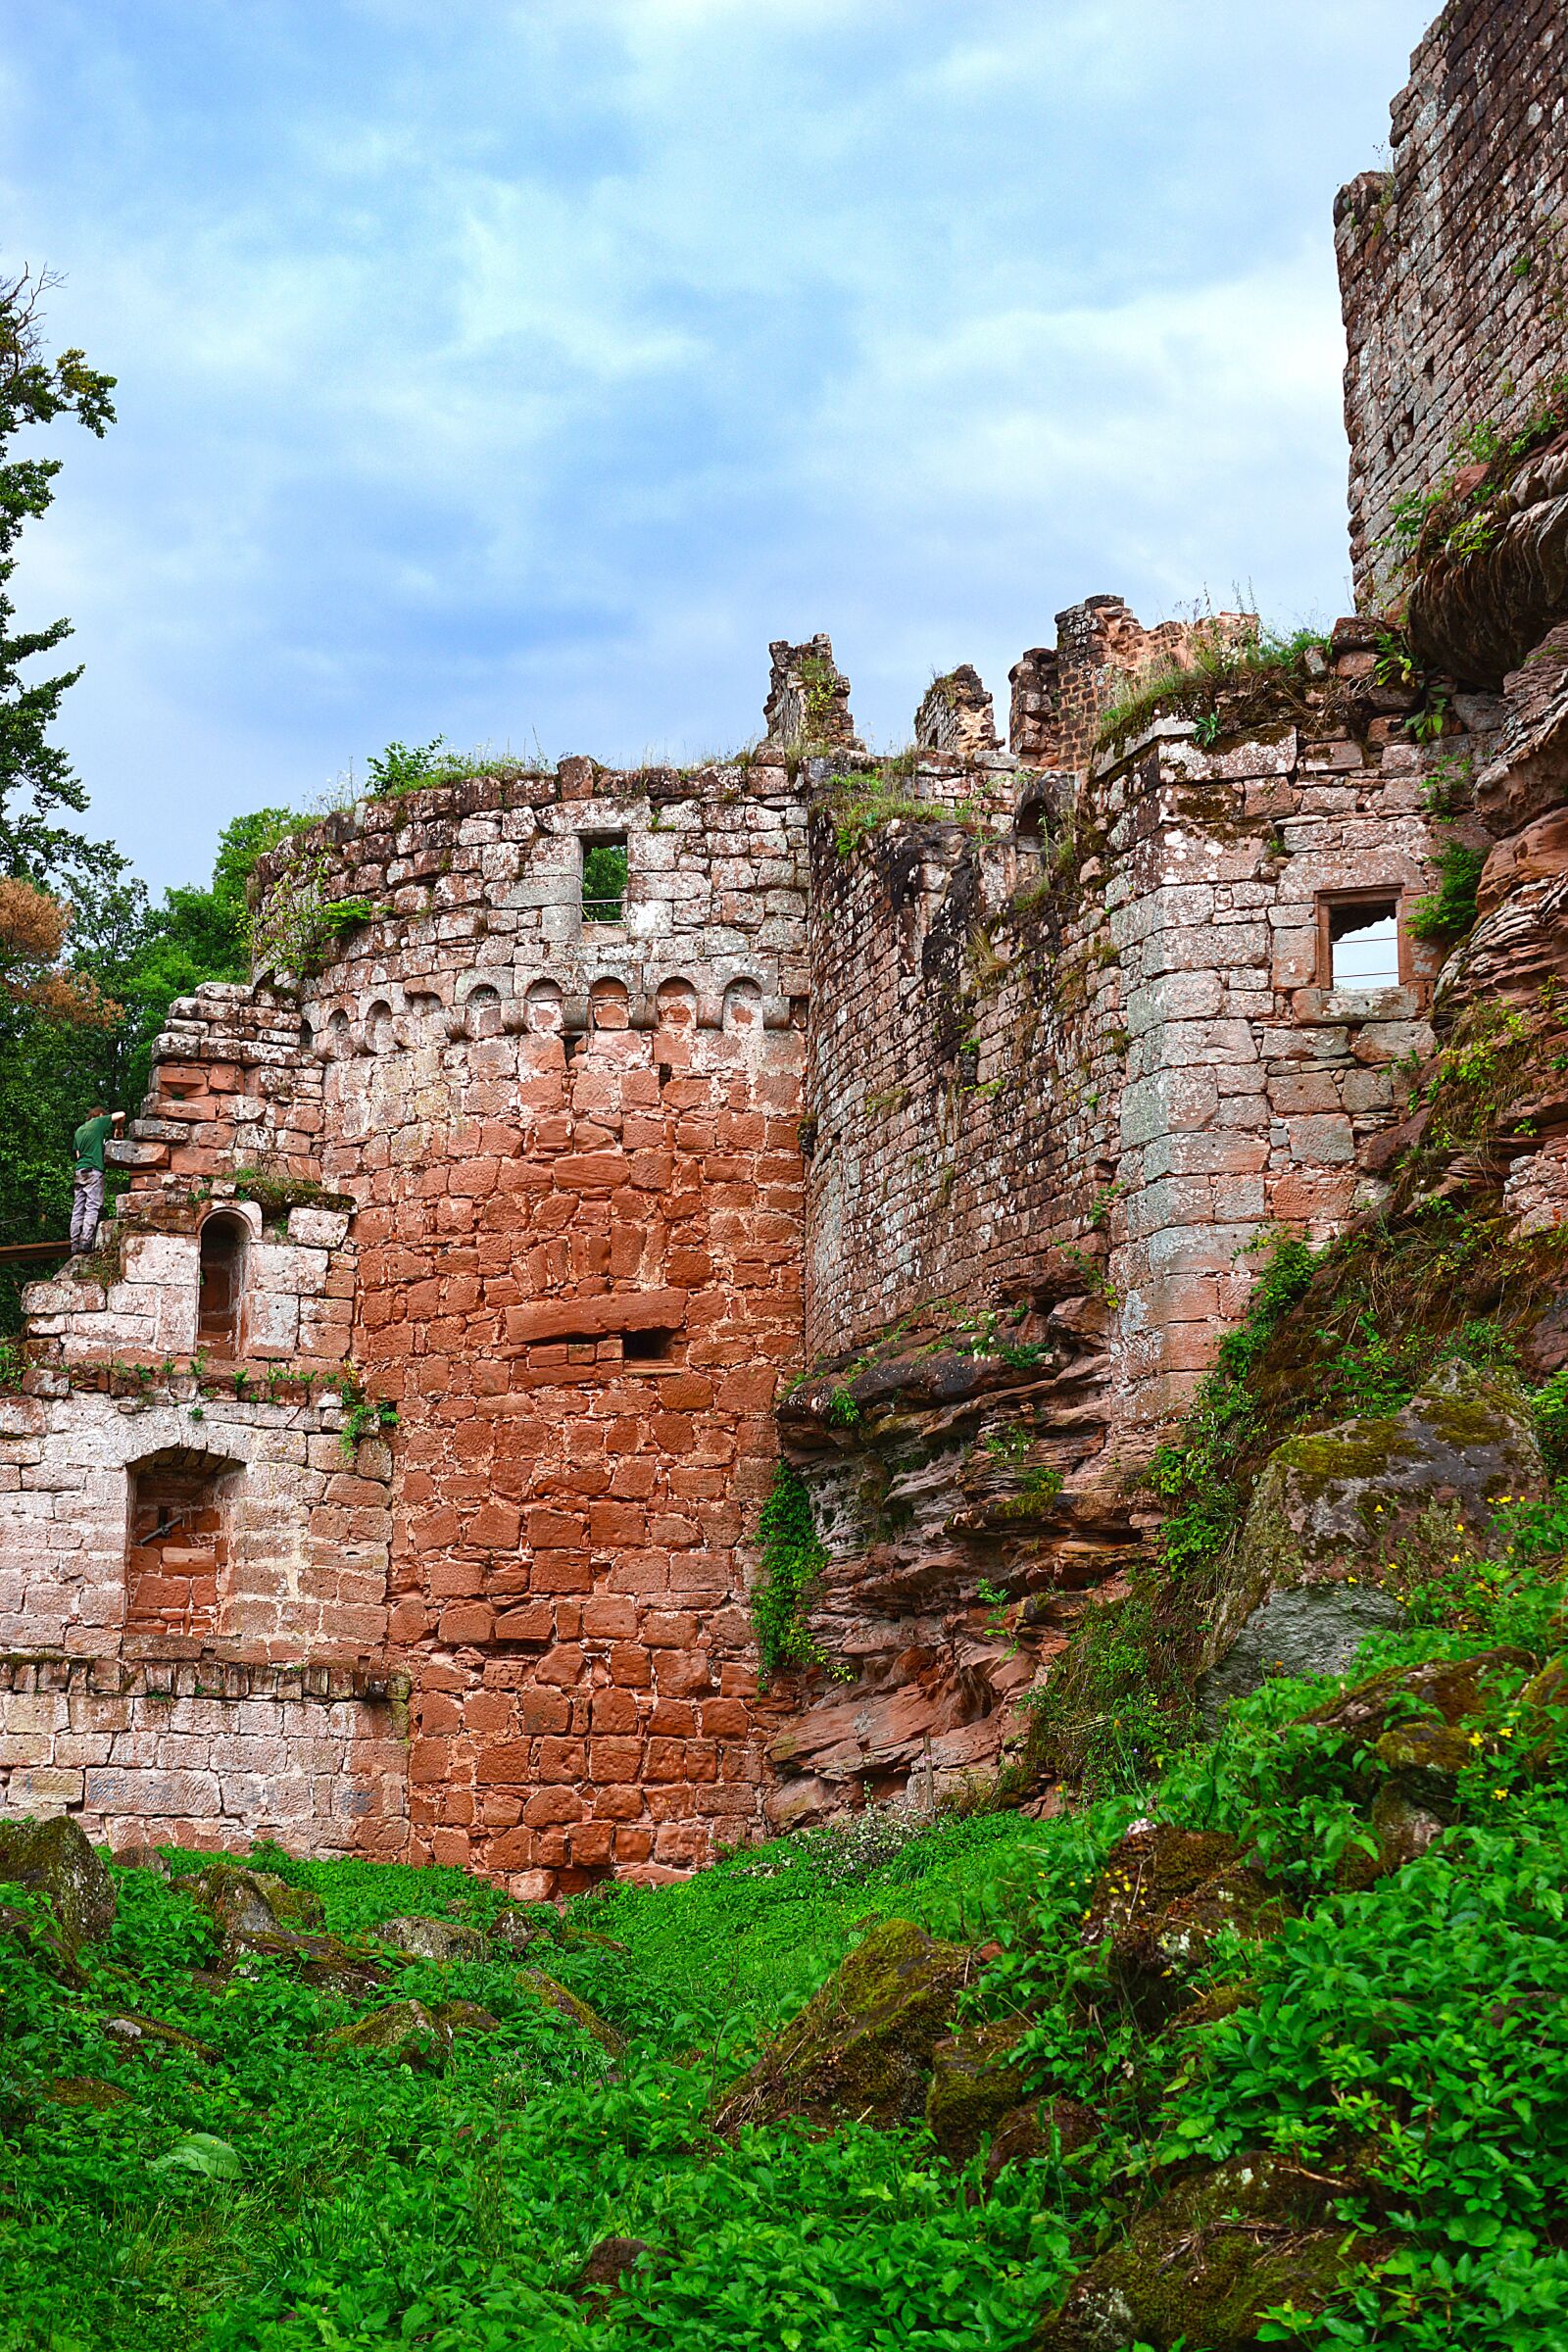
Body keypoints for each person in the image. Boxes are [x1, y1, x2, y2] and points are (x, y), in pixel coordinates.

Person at [70, 1104, 124, 1254]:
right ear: (100, 1116)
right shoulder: (98, 1123)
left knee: (78, 1208)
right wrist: (117, 1129)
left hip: (80, 1171)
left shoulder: (79, 1130)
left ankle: (74, 1244)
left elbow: (78, 1156)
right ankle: (86, 1242)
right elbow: (121, 1114)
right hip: (93, 1170)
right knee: (92, 1206)